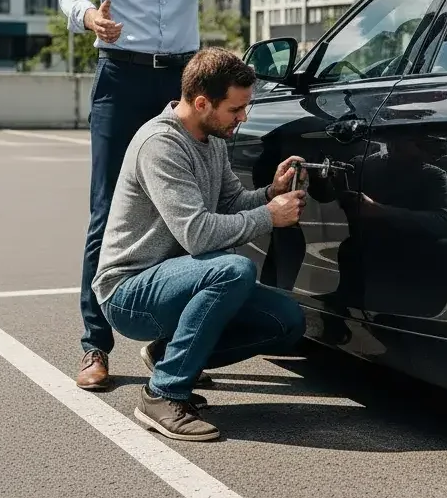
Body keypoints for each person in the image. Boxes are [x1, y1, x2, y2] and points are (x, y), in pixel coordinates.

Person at [59, 0, 276, 391]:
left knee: (192, 203)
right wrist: (91, 21)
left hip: (182, 76)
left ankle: (174, 335)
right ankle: (95, 345)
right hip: (121, 72)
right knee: (107, 209)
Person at [92, 47, 308, 441]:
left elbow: (229, 203)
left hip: (180, 281)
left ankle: (166, 357)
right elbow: (198, 234)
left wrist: (268, 193)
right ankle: (163, 394)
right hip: (129, 292)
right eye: (236, 109)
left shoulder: (213, 139)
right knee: (233, 269)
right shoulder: (161, 144)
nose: (243, 118)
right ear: (203, 102)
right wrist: (270, 216)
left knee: (287, 319)